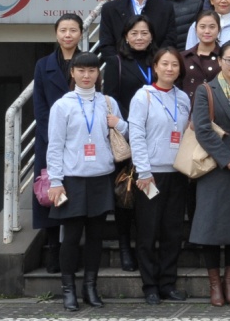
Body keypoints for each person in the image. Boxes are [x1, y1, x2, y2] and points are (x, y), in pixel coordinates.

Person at [45, 52, 126, 312]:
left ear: (98, 73)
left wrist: (119, 124)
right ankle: (68, 289)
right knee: (70, 237)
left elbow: (126, 133)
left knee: (96, 237)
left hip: (101, 177)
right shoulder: (63, 105)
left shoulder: (108, 102)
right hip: (72, 178)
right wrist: (55, 181)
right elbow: (55, 146)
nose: (86, 75)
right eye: (81, 70)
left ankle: (90, 287)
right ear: (72, 73)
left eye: (92, 70)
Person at [188, 41, 230, 307]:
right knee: (211, 226)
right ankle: (214, 283)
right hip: (214, 167)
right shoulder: (206, 90)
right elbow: (202, 129)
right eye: (229, 60)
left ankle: (229, 282)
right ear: (220, 61)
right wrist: (228, 159)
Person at [128, 47, 192, 305]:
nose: (169, 69)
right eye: (164, 64)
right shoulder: (143, 96)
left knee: (172, 232)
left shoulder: (183, 98)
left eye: (174, 65)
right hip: (151, 174)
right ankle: (150, 285)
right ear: (155, 67)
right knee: (148, 231)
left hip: (177, 173)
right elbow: (136, 135)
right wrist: (143, 171)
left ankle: (167, 283)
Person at [102, 14, 157, 272]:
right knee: (125, 194)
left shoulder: (159, 61)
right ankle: (125, 247)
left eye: (144, 33)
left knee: (150, 196)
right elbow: (111, 99)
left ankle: (147, 246)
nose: (139, 37)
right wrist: (131, 127)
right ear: (125, 37)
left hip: (156, 136)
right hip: (125, 136)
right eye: (134, 33)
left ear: (152, 36)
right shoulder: (116, 62)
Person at [32, 14, 83, 274]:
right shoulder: (43, 65)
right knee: (50, 195)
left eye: (73, 30)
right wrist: (51, 138)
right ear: (56, 33)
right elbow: (40, 106)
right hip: (49, 140)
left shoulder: (87, 62)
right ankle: (53, 250)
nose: (68, 35)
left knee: (77, 195)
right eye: (63, 30)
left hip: (80, 140)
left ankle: (73, 251)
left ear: (81, 34)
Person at [181, 10, 222, 96]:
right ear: (196, 29)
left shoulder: (224, 57)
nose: (207, 31)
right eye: (202, 27)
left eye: (212, 27)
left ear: (219, 29)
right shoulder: (183, 56)